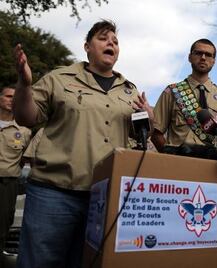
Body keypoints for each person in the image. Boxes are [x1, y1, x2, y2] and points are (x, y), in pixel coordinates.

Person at [13, 20, 152, 267]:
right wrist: (24, 85)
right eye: (103, 38)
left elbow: (140, 139)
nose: (111, 43)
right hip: (54, 192)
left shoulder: (129, 91)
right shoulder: (59, 78)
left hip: (103, 198)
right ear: (87, 46)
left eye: (115, 41)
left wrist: (148, 119)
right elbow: (26, 117)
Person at [151, 38, 217, 151]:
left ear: (214, 61)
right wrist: (170, 157)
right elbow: (156, 133)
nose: (203, 57)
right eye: (198, 53)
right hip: (180, 162)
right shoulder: (172, 92)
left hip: (214, 164)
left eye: (208, 55)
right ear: (190, 57)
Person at [0, 86, 31, 265]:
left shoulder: (24, 131)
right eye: (8, 96)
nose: (12, 99)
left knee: (2, 228)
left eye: (15, 97)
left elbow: (24, 160)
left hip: (7, 184)